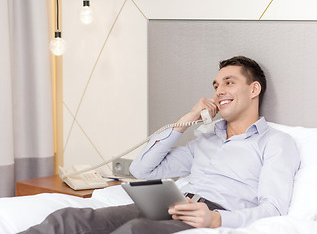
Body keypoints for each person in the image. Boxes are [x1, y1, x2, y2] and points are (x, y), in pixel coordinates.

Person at [19, 56, 300, 234]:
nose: (219, 91)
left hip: (211, 213)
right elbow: (142, 169)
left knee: (134, 231)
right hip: (172, 203)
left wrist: (215, 220)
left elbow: (274, 209)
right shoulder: (205, 140)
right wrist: (186, 119)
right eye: (216, 85)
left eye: (229, 82)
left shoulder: (276, 143)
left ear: (254, 90)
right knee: (68, 219)